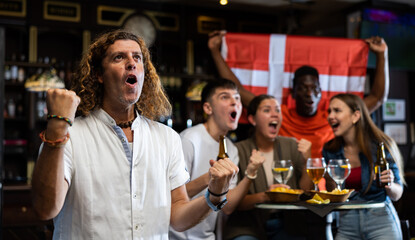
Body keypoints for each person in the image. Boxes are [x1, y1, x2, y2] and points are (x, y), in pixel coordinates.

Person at [31, 30, 239, 239]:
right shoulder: (71, 136)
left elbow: (178, 217)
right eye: (119, 57)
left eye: (137, 58)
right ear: (99, 75)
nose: (131, 63)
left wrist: (214, 195)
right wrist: (57, 128)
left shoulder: (167, 138)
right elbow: (45, 209)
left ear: (144, 73)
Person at [208, 31, 388, 159]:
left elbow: (378, 98)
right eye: (303, 88)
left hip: (325, 190)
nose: (310, 93)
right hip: (287, 186)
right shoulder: (278, 115)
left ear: (321, 92)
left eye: (314, 88)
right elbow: (237, 90)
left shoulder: (332, 118)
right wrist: (215, 51)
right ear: (293, 92)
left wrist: (382, 55)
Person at [169, 79, 265, 240]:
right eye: (225, 97)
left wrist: (250, 173)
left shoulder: (231, 148)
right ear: (208, 108)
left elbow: (227, 206)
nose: (234, 102)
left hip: (207, 236)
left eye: (237, 98)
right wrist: (210, 178)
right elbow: (173, 194)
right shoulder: (189, 139)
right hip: (178, 236)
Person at [223, 94, 313, 240]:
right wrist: (266, 196)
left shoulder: (291, 145)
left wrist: (307, 160)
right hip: (248, 225)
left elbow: (305, 191)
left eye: (277, 110)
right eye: (266, 110)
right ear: (252, 119)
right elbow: (235, 203)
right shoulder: (238, 150)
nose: (274, 114)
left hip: (288, 225)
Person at [323, 93, 405, 239]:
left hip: (381, 221)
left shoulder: (381, 145)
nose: (330, 116)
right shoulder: (330, 150)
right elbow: (334, 194)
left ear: (356, 115)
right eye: (329, 111)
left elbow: (397, 194)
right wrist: (328, 180)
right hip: (347, 222)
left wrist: (390, 184)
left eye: (337, 110)